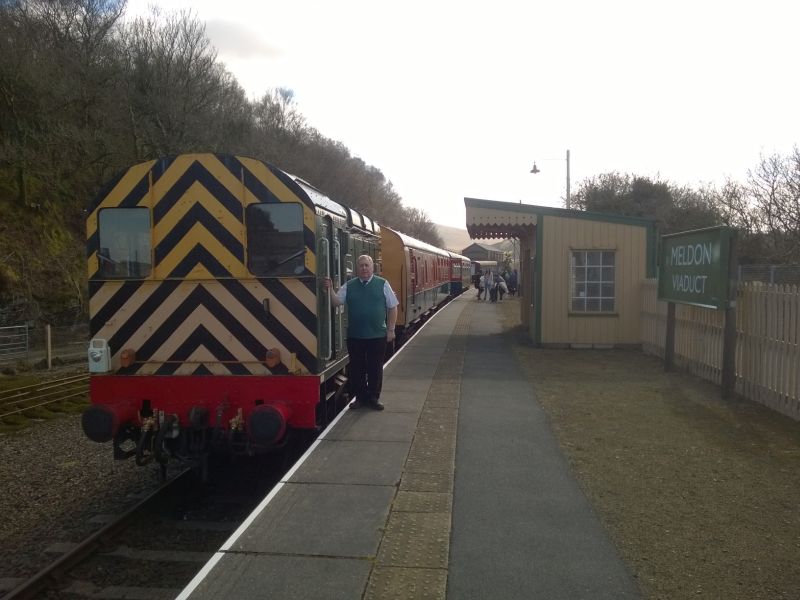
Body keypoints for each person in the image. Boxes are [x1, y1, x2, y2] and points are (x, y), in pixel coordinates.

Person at [324, 255, 399, 411]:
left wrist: (391, 329)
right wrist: (330, 288)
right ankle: (360, 398)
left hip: (377, 336)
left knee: (375, 368)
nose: (364, 268)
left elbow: (393, 307)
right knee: (356, 369)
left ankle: (373, 398)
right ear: (357, 268)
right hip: (355, 336)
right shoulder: (349, 286)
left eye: (367, 265)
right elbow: (336, 302)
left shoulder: (383, 284)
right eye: (361, 266)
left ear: (372, 268)